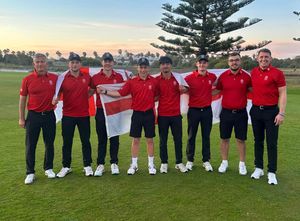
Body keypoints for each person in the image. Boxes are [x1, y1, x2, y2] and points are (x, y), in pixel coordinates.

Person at [98, 58, 158, 175]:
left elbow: (157, 96)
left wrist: (149, 101)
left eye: (145, 67)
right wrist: (105, 92)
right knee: (135, 140)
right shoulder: (132, 82)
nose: (143, 69)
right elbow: (120, 93)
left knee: (150, 140)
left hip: (149, 114)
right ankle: (134, 165)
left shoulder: (154, 81)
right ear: (138, 68)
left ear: (148, 68)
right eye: (141, 67)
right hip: (137, 114)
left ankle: (151, 164)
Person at [19, 53, 58, 184]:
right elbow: (22, 99)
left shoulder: (55, 78)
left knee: (49, 143)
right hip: (33, 116)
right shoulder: (27, 79)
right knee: (30, 145)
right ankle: (30, 172)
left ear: (46, 63)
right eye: (37, 62)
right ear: (34, 64)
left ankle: (48, 168)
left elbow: (64, 90)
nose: (40, 64)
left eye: (42, 61)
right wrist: (21, 118)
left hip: (49, 116)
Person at [250, 48, 287, 185]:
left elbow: (283, 93)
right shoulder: (253, 72)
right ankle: (258, 168)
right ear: (257, 58)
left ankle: (271, 172)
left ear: (270, 59)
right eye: (261, 57)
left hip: (271, 112)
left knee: (271, 143)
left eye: (266, 57)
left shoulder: (277, 73)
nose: (263, 59)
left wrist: (281, 113)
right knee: (257, 141)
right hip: (256, 111)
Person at [55, 53, 93, 177]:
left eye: (77, 62)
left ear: (80, 64)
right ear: (69, 64)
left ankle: (87, 166)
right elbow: (57, 93)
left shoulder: (86, 77)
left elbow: (92, 88)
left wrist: (86, 96)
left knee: (85, 141)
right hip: (68, 115)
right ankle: (66, 166)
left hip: (83, 115)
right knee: (67, 142)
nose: (74, 64)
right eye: (72, 62)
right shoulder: (62, 78)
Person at [214, 52, 251, 175]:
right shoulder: (223, 76)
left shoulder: (246, 77)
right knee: (224, 138)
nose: (234, 62)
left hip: (241, 113)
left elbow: (255, 90)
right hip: (226, 113)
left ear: (240, 61)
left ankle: (242, 164)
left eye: (236, 60)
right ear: (228, 62)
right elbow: (216, 90)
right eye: (231, 60)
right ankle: (224, 162)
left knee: (241, 139)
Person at [90, 52, 124, 176]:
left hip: (115, 111)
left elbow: (123, 93)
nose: (107, 63)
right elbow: (90, 92)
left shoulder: (119, 77)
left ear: (113, 63)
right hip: (100, 111)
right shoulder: (95, 78)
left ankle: (114, 163)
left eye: (110, 61)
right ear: (102, 62)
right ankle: (100, 164)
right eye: (105, 61)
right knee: (102, 138)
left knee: (115, 137)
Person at [184, 52, 217, 172]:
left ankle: (206, 160)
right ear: (196, 64)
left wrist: (209, 94)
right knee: (191, 136)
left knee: (206, 136)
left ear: (207, 64)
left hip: (207, 111)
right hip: (193, 111)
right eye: (200, 63)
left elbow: (218, 87)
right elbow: (182, 88)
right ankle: (190, 160)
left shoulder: (212, 77)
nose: (202, 65)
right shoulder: (189, 78)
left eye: (204, 63)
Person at [156, 56, 188, 173]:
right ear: (160, 66)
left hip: (175, 115)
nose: (165, 66)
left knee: (178, 139)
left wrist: (183, 88)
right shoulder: (156, 80)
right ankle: (164, 163)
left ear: (171, 65)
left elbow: (186, 89)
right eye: (163, 64)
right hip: (163, 115)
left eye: (167, 63)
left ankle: (179, 162)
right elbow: (154, 96)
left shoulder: (178, 77)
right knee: (163, 140)